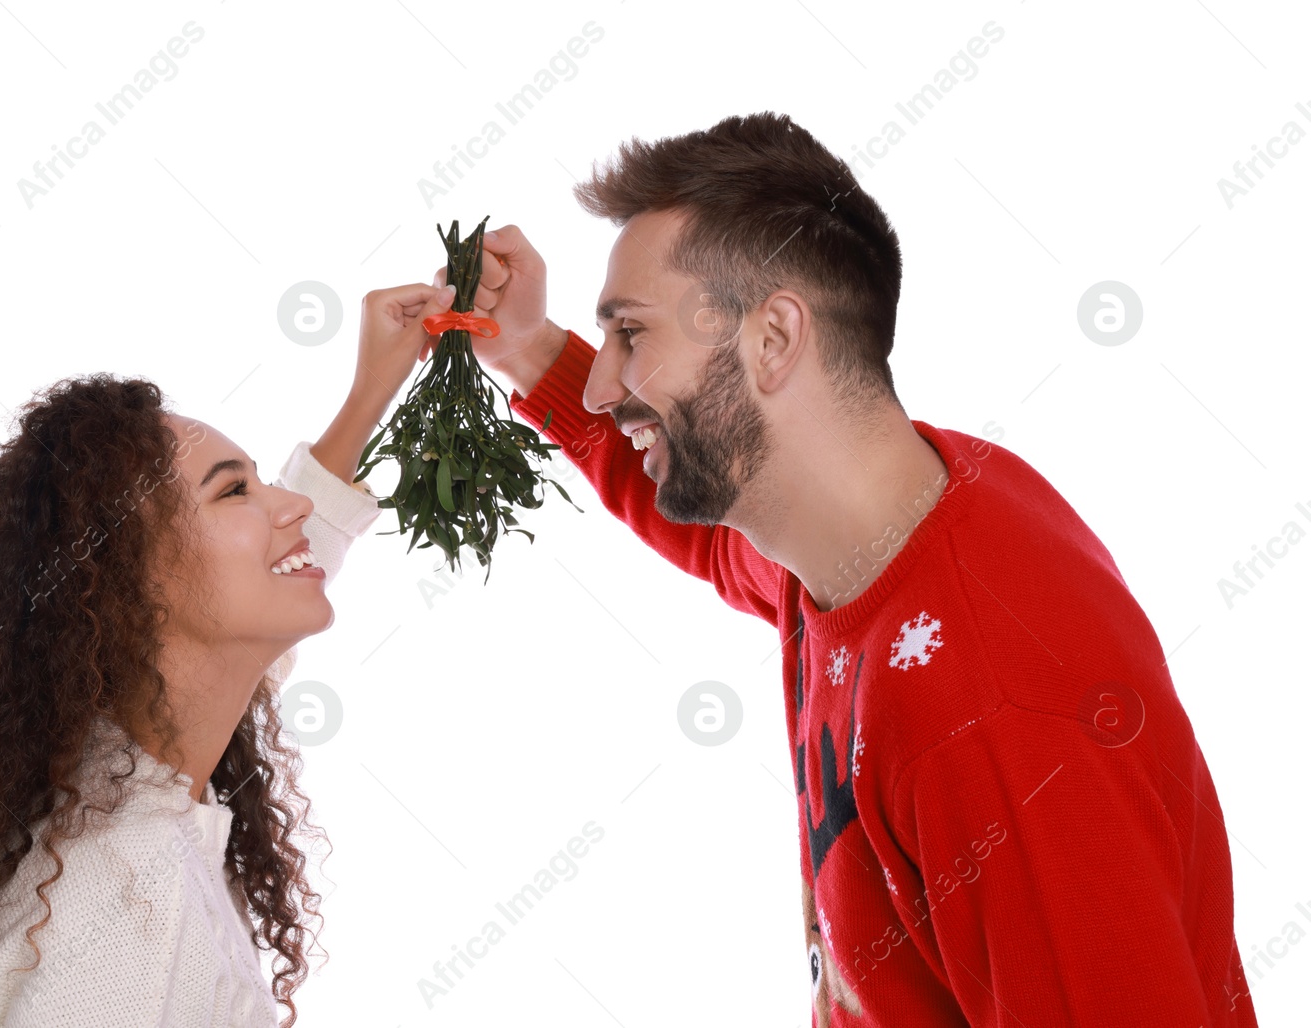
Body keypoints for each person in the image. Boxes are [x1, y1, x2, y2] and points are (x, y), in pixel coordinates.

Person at [439, 111, 1259, 1025]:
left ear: (774, 338)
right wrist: (522, 348)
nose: (603, 385)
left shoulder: (987, 707)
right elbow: (709, 530)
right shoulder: (871, 526)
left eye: (631, 334)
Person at [0, 283, 460, 1028]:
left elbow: (291, 565)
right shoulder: (130, 912)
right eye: (234, 491)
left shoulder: (119, 771)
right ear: (131, 584)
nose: (292, 506)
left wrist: (375, 385)